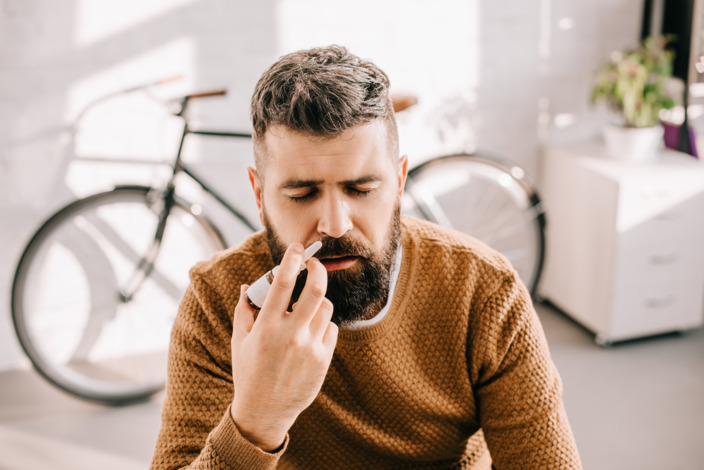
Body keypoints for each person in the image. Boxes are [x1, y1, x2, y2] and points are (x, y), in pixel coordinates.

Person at [150, 45, 582, 469]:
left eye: (361, 189)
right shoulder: (219, 299)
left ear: (398, 181)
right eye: (302, 193)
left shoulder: (483, 290)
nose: (335, 224)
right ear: (260, 196)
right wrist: (256, 421)